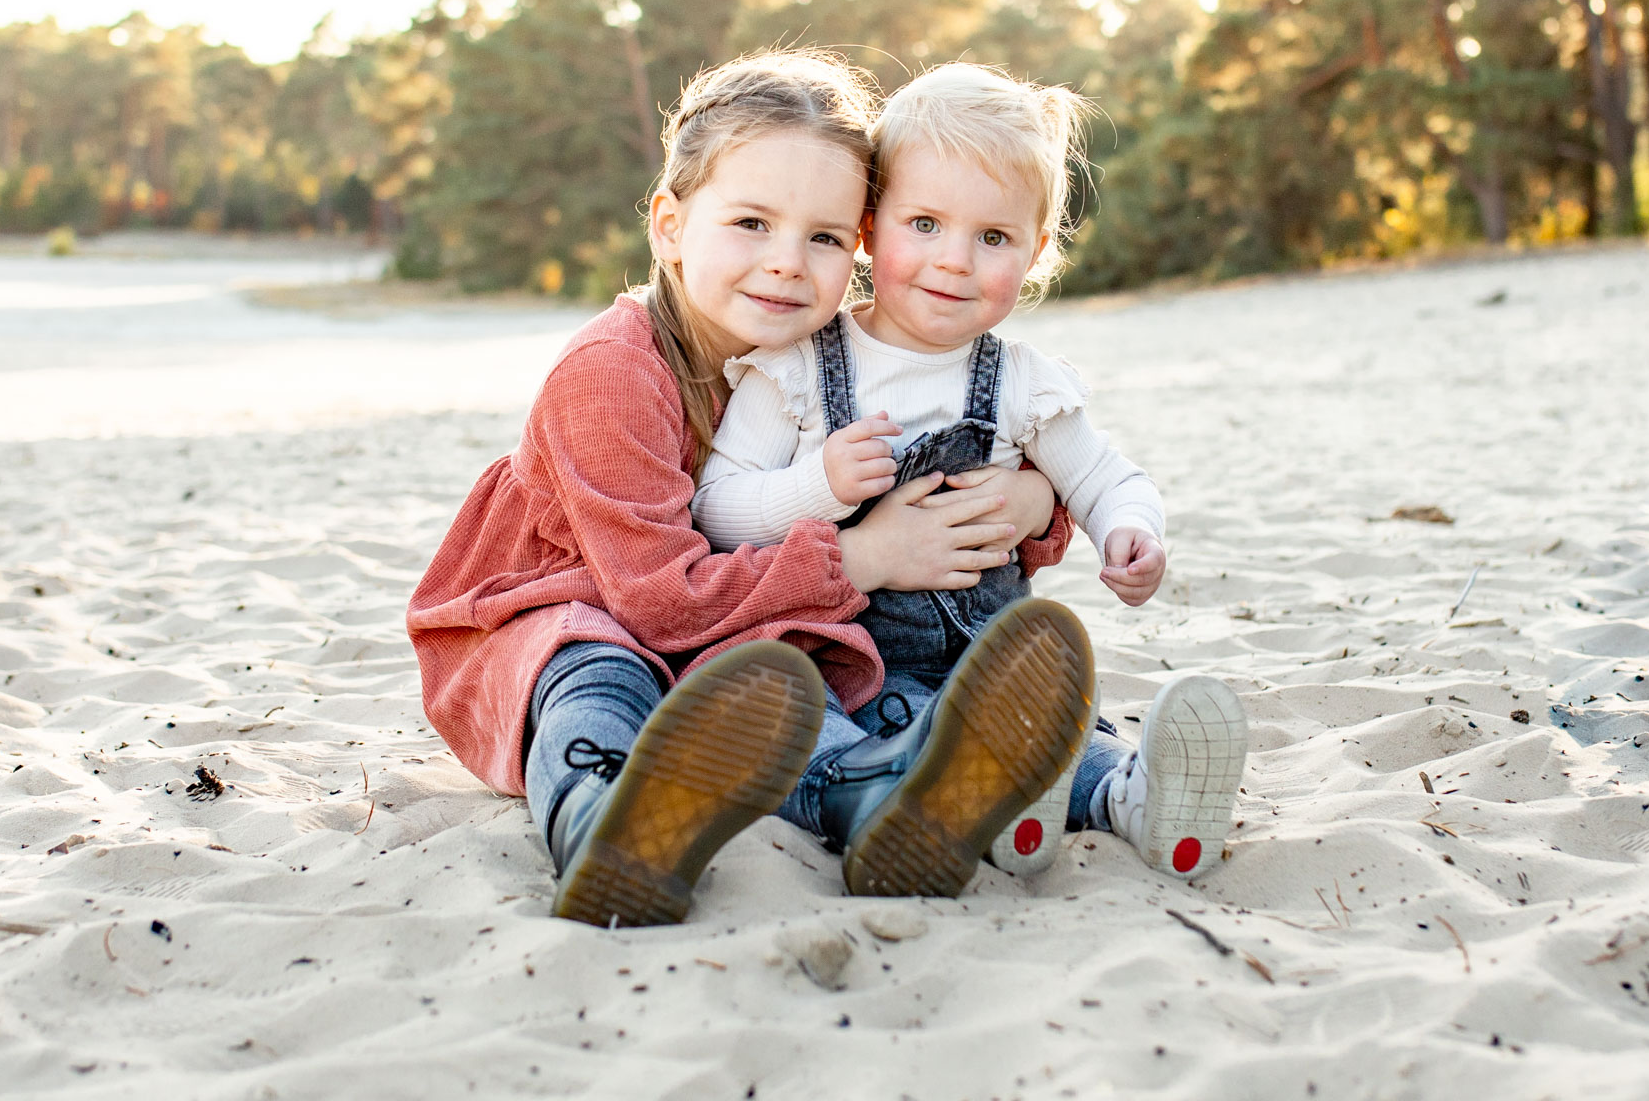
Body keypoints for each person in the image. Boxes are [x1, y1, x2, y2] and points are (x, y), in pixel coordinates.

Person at [407, 49, 1080, 928]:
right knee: (594, 663)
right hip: (565, 610)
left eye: (825, 237)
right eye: (752, 223)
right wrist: (863, 556)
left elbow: (958, 451)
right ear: (669, 225)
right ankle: (607, 822)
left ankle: (868, 801)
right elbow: (657, 606)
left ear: (864, 243)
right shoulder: (613, 377)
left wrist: (1035, 508)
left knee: (787, 672)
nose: (787, 264)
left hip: (722, 630)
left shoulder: (822, 365)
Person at [692, 62, 1250, 882]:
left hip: (998, 655)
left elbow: (1104, 478)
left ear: (1036, 254)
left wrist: (1132, 531)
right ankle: (989, 795)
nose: (954, 261)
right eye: (925, 224)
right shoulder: (799, 370)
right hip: (861, 663)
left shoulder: (1021, 380)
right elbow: (715, 509)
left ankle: (1130, 803)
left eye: (992, 239)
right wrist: (819, 487)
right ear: (871, 229)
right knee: (853, 725)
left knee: (1067, 734)